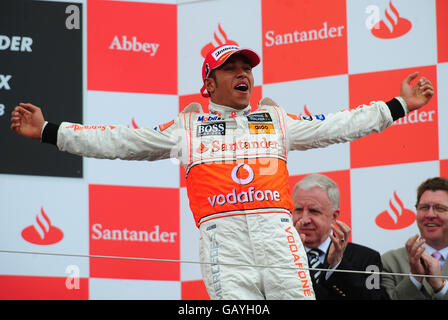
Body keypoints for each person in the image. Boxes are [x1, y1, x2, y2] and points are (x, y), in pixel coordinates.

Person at [10, 44, 433, 300]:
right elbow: (121, 140)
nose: (243, 73)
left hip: (277, 236)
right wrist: (50, 131)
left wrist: (397, 107)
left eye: (246, 67)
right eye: (230, 68)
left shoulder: (276, 120)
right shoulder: (187, 127)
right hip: (223, 244)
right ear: (208, 85)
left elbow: (337, 125)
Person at [292, 173, 390, 299]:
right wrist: (297, 258)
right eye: (298, 210)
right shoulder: (279, 257)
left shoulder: (367, 258)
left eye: (314, 211)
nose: (304, 219)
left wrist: (337, 265)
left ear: (334, 216)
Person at [381, 177, 448, 300]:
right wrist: (414, 278)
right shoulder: (389, 261)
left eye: (439, 208)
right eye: (424, 207)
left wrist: (440, 287)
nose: (430, 215)